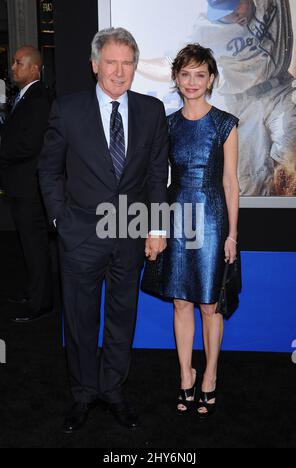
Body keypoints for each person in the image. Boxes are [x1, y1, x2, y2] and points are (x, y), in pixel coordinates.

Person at [38, 27, 168, 432]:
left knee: (121, 316)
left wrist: (156, 228)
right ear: (95, 65)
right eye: (111, 62)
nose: (119, 71)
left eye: (127, 63)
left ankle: (113, 390)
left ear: (134, 68)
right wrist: (60, 219)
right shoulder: (68, 108)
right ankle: (83, 395)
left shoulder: (150, 111)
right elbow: (49, 168)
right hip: (80, 236)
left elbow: (155, 177)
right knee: (79, 320)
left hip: (130, 234)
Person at [138, 0, 296, 196]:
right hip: (243, 104)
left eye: (235, 7)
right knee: (251, 186)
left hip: (282, 88)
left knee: (291, 153)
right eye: (224, 13)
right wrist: (132, 63)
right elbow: (169, 66)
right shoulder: (205, 30)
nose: (231, 16)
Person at [160, 44, 239, 417]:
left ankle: (209, 375)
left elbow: (230, 184)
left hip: (211, 217)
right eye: (186, 74)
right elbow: (159, 180)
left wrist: (232, 234)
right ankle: (185, 374)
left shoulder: (225, 123)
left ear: (211, 79)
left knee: (210, 303)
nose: (192, 82)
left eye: (200, 75)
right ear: (176, 78)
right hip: (177, 215)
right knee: (181, 301)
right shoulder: (168, 124)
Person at [0, 46, 53, 322]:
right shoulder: (24, 96)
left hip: (30, 187)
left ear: (34, 68)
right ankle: (33, 292)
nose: (13, 67)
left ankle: (40, 302)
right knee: (26, 244)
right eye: (13, 63)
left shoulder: (38, 99)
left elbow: (29, 144)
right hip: (21, 184)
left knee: (34, 244)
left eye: (18, 63)